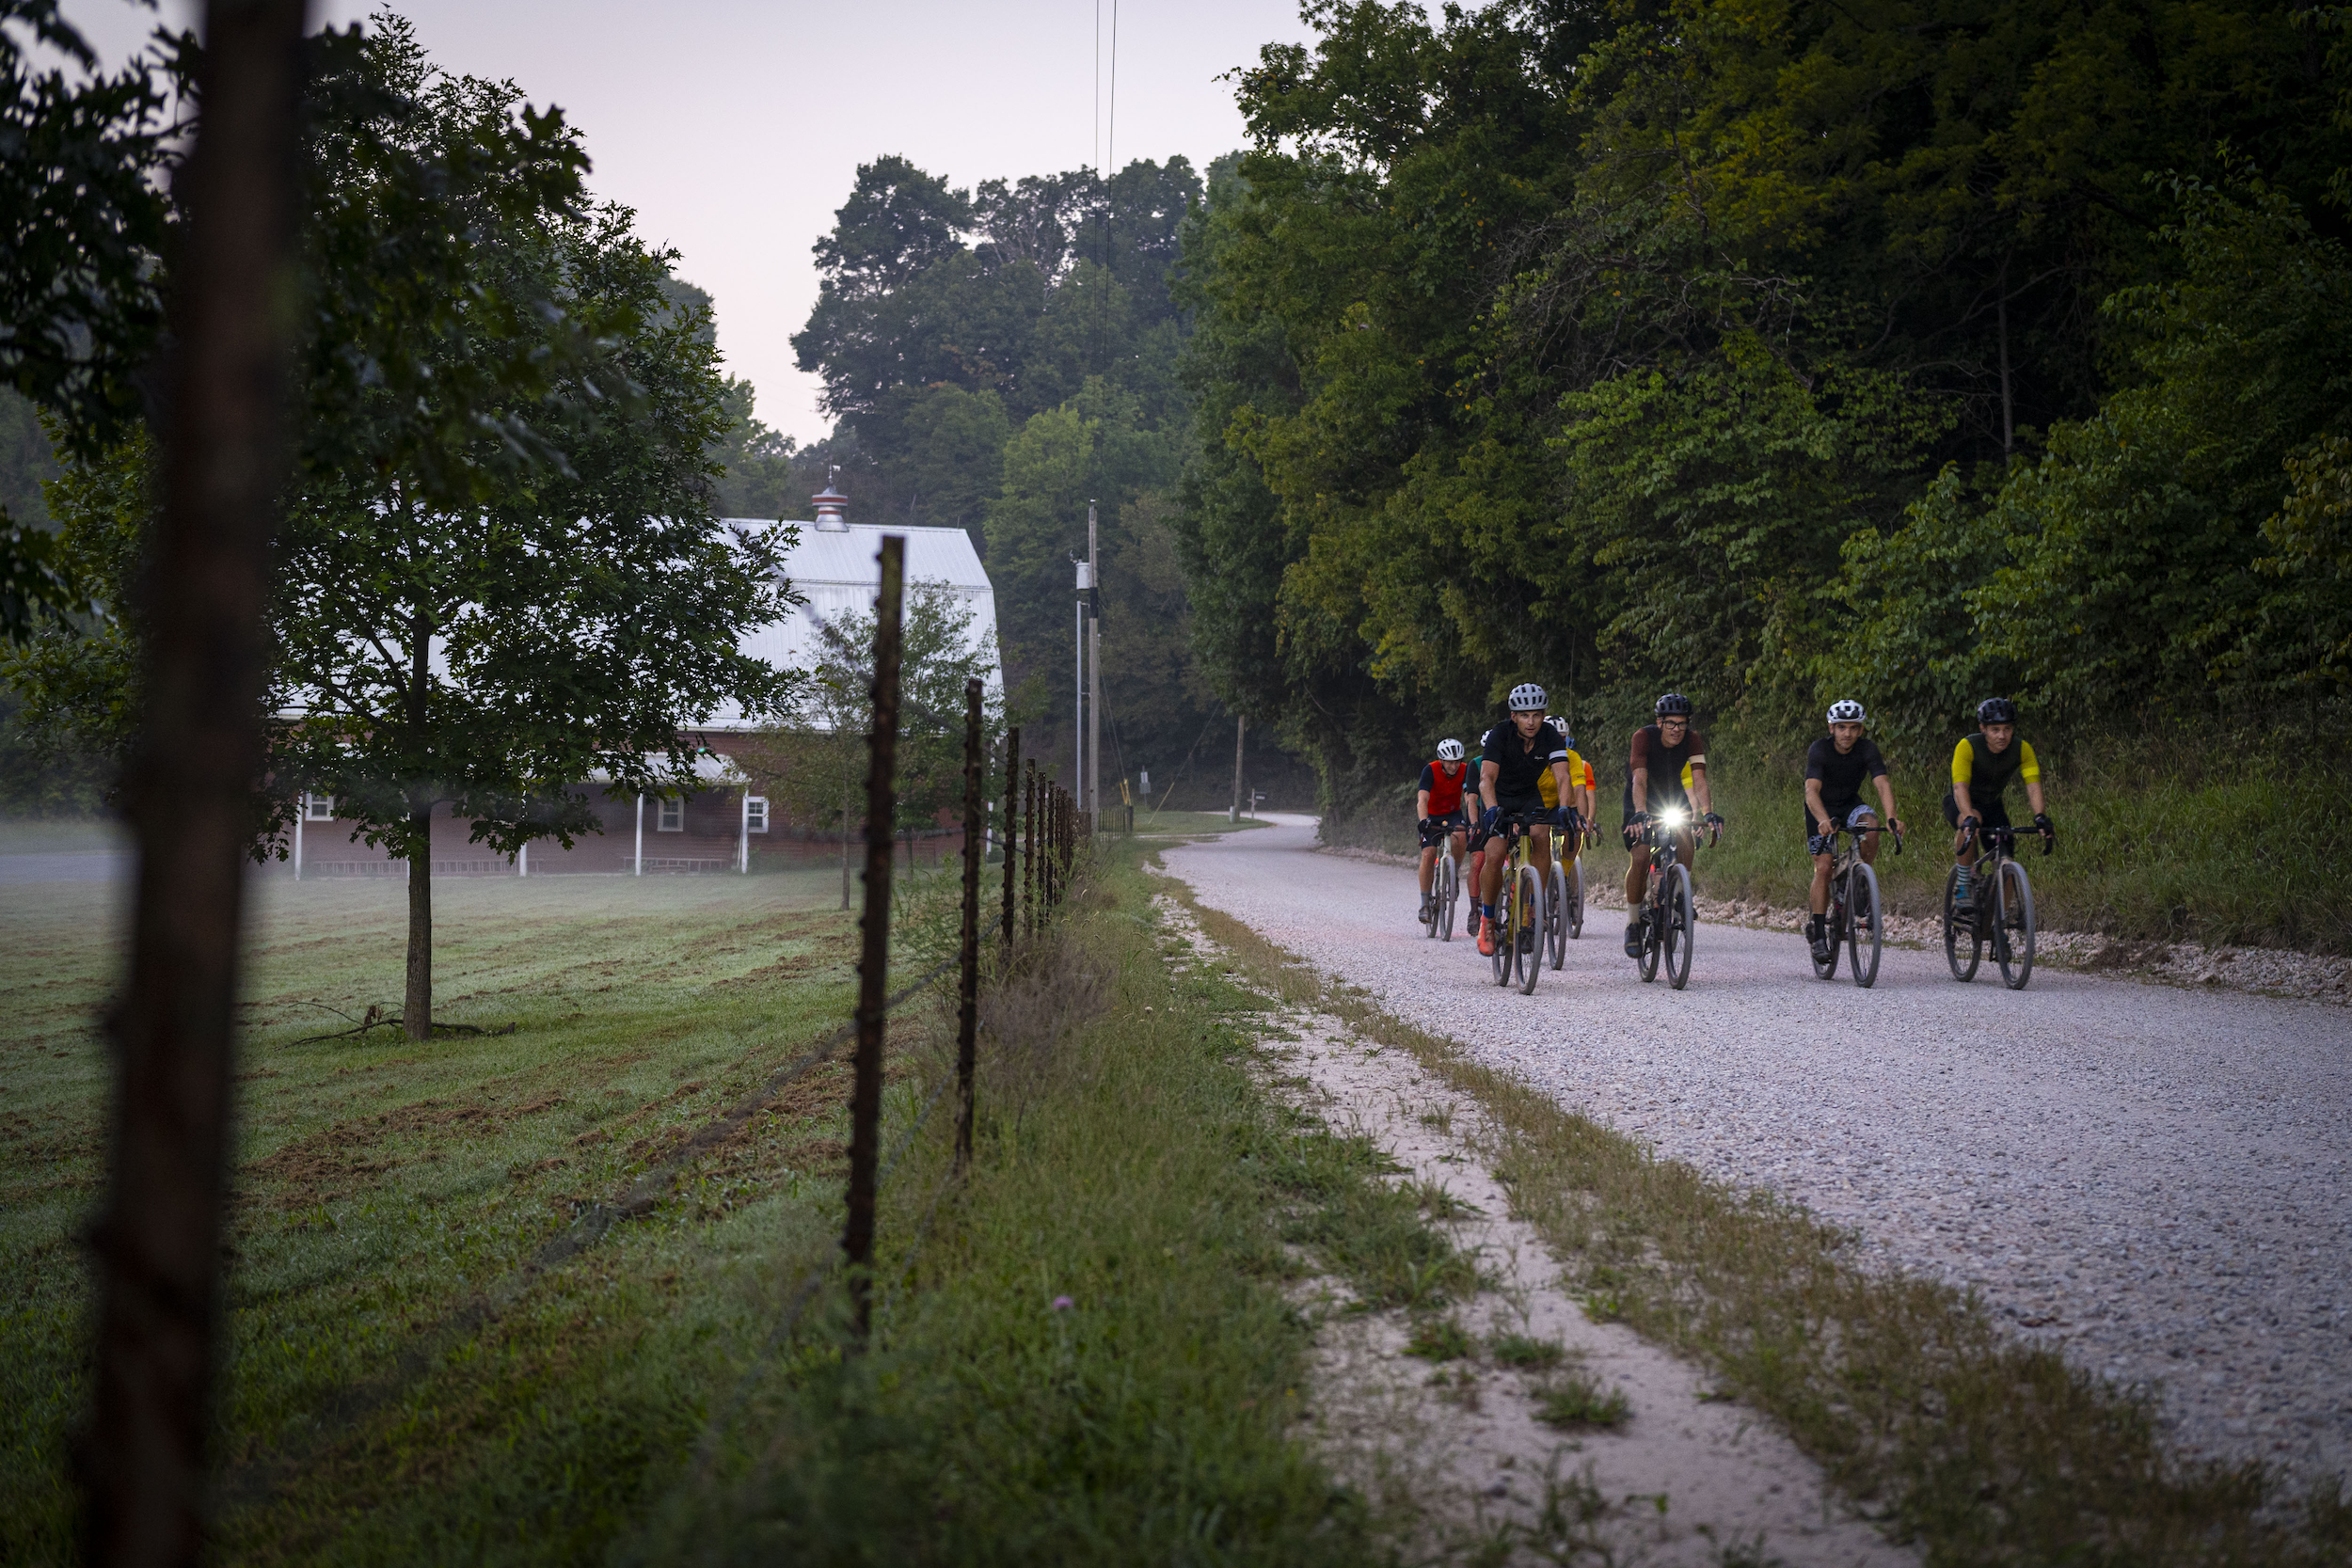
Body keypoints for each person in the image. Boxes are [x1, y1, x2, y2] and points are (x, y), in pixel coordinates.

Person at [1475, 684, 1582, 958]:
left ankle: (1533, 904)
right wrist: (1491, 809)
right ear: (1514, 717)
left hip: (1529, 795)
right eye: (1525, 716)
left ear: (1544, 715)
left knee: (1540, 836)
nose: (1531, 721)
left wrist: (1566, 808)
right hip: (1499, 795)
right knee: (1496, 853)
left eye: (1536, 715)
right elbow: (1486, 779)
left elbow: (1562, 777)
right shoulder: (1500, 734)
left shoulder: (1550, 736)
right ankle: (1487, 920)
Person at [1623, 693, 1723, 958]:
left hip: (1671, 795)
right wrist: (1642, 813)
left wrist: (1708, 813)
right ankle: (1633, 923)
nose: (1677, 730)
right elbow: (1640, 780)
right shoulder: (1642, 738)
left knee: (1685, 835)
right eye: (1671, 724)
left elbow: (1700, 780)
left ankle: (1679, 891)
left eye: (1682, 724)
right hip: (1640, 798)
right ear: (1659, 722)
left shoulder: (1693, 739)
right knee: (1642, 856)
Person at [1804, 700, 1902, 962]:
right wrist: (1823, 820)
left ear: (1860, 730)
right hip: (1821, 808)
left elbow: (1882, 785)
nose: (1847, 733)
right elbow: (1811, 791)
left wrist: (1892, 818)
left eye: (1853, 728)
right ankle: (1819, 933)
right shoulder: (1820, 750)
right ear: (1831, 728)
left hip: (1850, 804)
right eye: (1841, 727)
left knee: (1872, 826)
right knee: (1824, 868)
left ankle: (1859, 880)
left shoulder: (1867, 749)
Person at [1945, 698, 2053, 905]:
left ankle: (1998, 926)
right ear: (1983, 728)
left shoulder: (2022, 749)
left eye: (2007, 729)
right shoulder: (1967, 746)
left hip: (1993, 806)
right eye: (1995, 729)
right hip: (1961, 801)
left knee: (2006, 865)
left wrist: (2040, 817)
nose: (2002, 736)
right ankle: (1964, 884)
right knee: (1971, 822)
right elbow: (1960, 787)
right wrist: (1968, 816)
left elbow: (2033, 786)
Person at [1415, 738, 1471, 922]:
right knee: (1428, 854)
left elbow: (1468, 796)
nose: (1454, 766)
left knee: (1461, 835)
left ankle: (1453, 872)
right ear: (1441, 761)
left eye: (1457, 761)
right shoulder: (1429, 770)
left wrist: (1472, 819)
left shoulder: (1465, 769)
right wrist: (1424, 821)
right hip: (1432, 814)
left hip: (1453, 813)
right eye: (1450, 762)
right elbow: (1422, 799)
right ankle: (1424, 903)